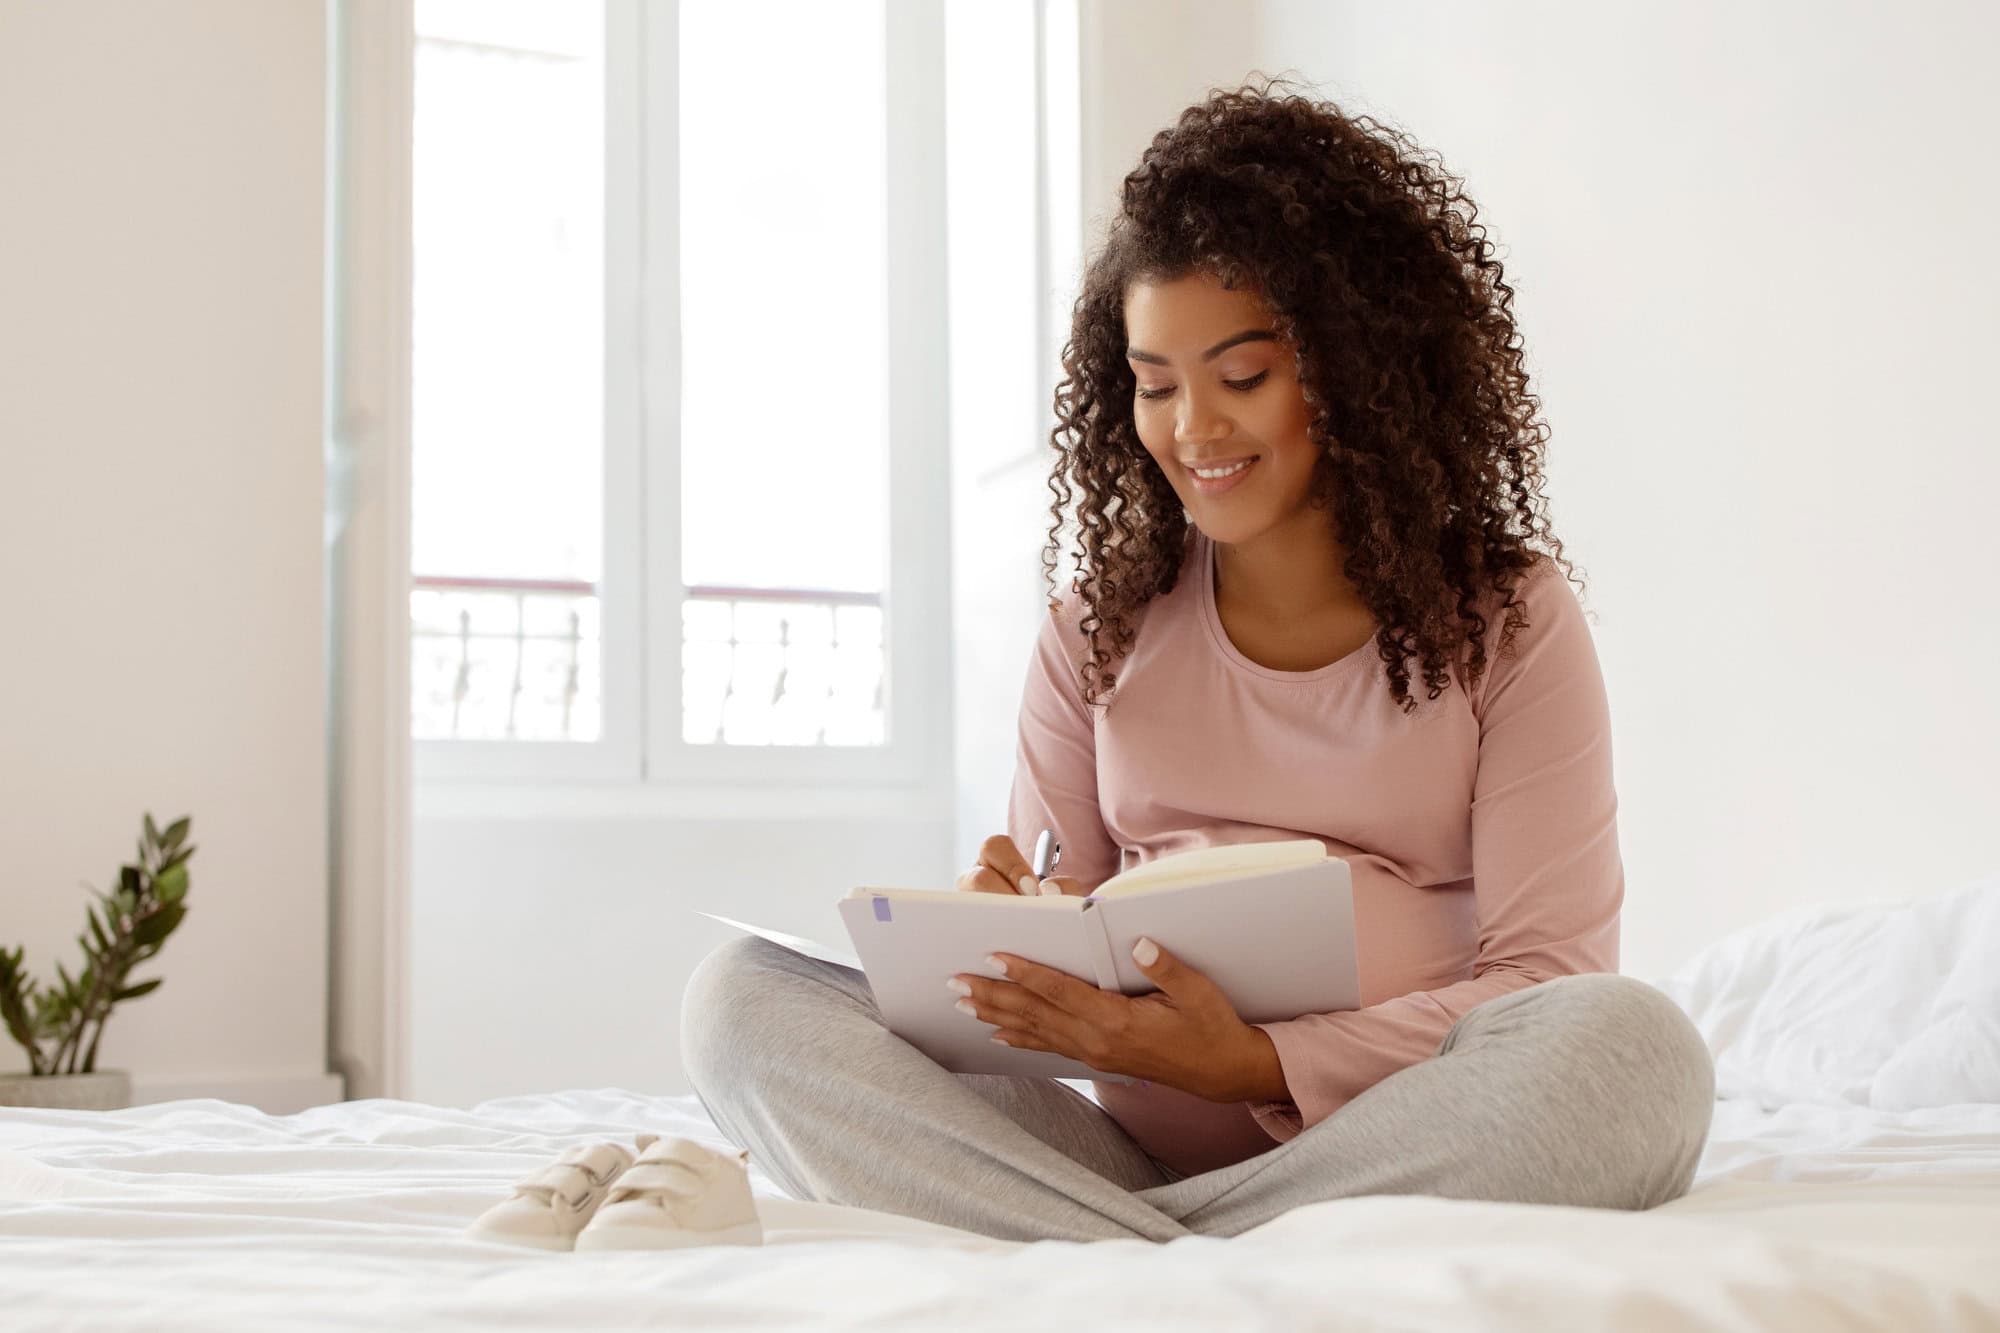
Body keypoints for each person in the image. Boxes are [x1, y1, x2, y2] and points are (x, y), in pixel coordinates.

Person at [681, 76, 1716, 1244]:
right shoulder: (1095, 628)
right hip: (1124, 1157)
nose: (1191, 431)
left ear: (1360, 366)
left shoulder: (1506, 618)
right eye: (1153, 383)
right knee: (742, 996)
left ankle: (1122, 1252)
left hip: (1402, 1136)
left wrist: (1256, 1061)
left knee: (1634, 1050)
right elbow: (1052, 920)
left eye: (1240, 377)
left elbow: (1545, 976)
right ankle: (1205, 1251)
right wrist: (993, 946)